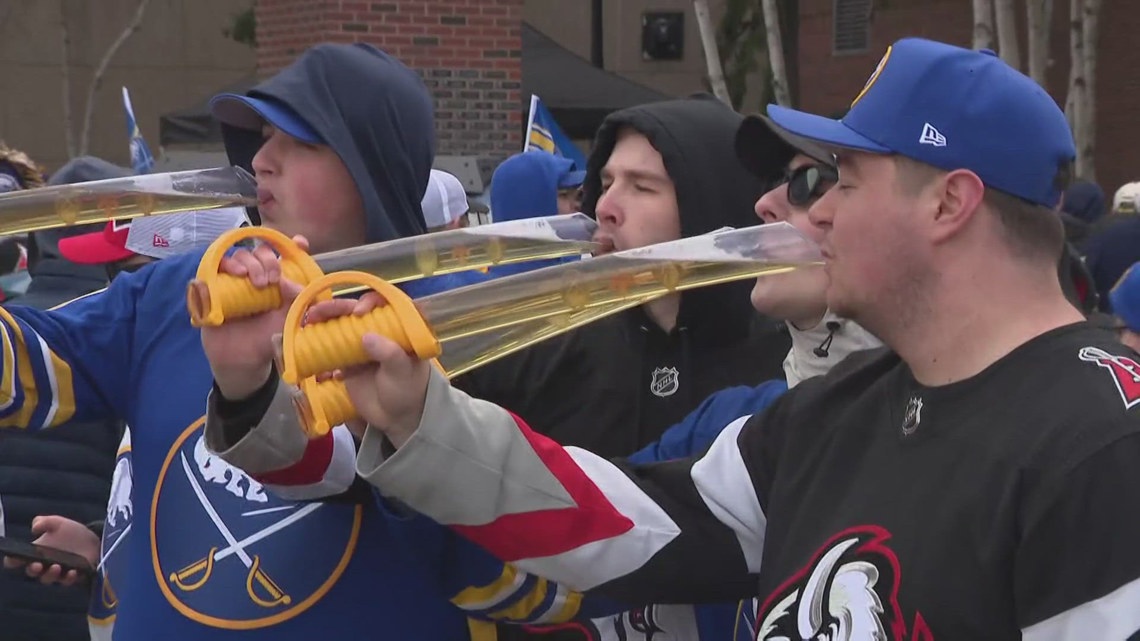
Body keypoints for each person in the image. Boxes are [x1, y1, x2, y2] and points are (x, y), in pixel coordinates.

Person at [300, 38, 1140, 638]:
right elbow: (620, 522)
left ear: (949, 203)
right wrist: (422, 421)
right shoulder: (829, 415)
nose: (818, 211)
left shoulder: (1101, 443)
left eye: (841, 180)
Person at [0, 42, 516, 641]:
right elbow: (25, 365)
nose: (262, 160)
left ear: (371, 163)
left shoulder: (465, 317)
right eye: (264, 136)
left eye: (300, 142)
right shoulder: (183, 288)